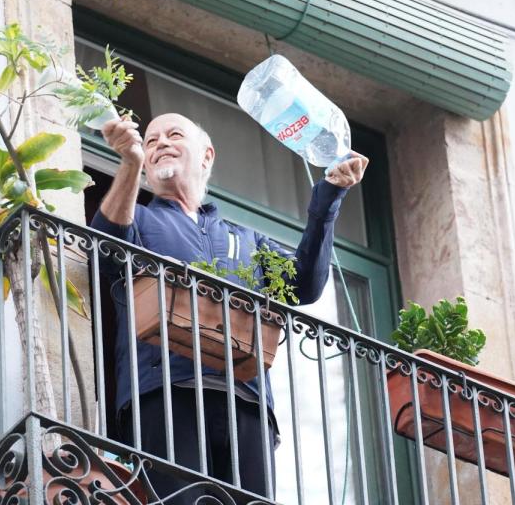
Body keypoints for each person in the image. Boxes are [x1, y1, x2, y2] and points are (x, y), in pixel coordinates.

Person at [90, 112, 367, 502]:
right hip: (166, 392)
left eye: (173, 135)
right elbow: (105, 248)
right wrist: (130, 164)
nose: (160, 144)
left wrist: (329, 196)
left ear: (207, 155)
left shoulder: (246, 239)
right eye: (150, 141)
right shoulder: (142, 221)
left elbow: (304, 285)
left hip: (247, 399)